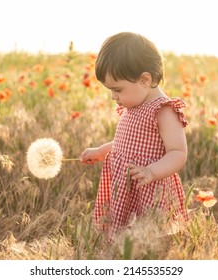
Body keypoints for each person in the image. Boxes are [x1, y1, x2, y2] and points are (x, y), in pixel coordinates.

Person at [80, 32, 188, 241]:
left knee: (150, 231)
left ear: (145, 79)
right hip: (128, 182)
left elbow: (178, 152)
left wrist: (151, 171)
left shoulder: (163, 111)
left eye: (117, 89)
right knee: (125, 231)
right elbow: (126, 143)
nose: (113, 96)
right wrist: (102, 151)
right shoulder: (134, 104)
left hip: (148, 184)